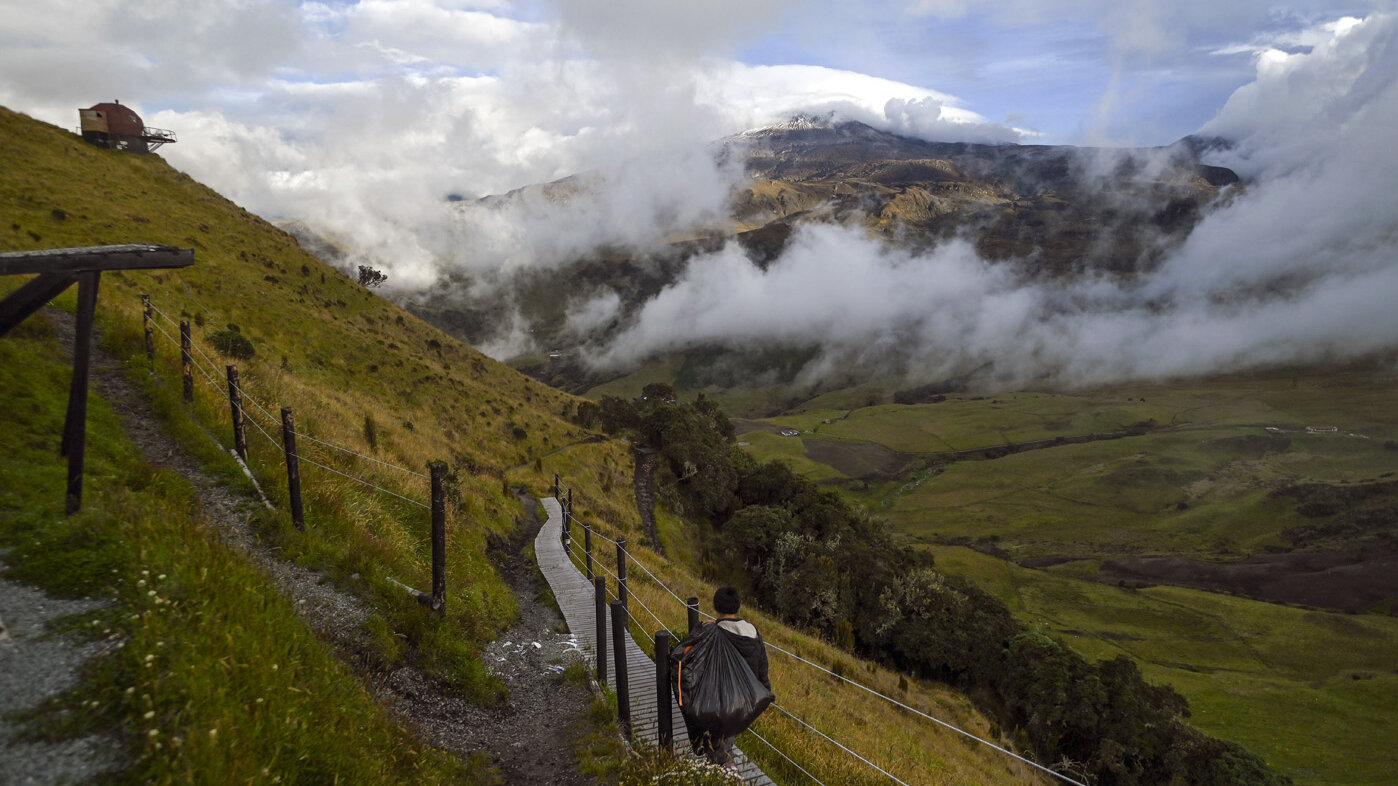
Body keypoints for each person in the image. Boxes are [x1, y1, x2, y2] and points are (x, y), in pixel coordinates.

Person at [699, 586, 771, 770]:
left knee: (719, 739)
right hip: (749, 698)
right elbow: (763, 666)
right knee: (727, 734)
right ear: (738, 607)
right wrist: (766, 693)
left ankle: (726, 767)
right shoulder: (752, 631)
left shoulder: (714, 633)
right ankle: (723, 762)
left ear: (716, 607)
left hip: (722, 699)